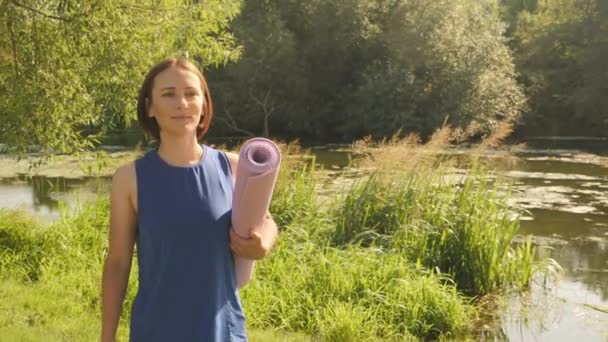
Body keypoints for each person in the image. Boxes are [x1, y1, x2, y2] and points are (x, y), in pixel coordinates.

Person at [100, 57, 279, 342]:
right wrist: (107, 337)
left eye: (191, 93)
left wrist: (262, 244)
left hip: (222, 331)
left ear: (204, 104)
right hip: (155, 330)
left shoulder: (233, 167)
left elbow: (266, 221)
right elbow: (118, 262)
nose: (182, 103)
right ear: (149, 107)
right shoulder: (129, 179)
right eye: (168, 94)